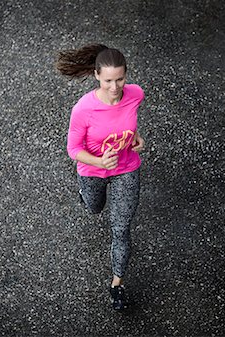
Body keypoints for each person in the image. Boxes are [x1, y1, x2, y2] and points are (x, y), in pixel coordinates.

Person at [56, 44, 145, 310]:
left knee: (121, 229)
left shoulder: (136, 94)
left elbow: (129, 120)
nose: (115, 86)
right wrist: (99, 161)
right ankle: (85, 195)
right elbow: (73, 150)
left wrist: (136, 137)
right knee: (95, 208)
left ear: (126, 75)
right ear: (96, 76)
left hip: (127, 168)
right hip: (92, 170)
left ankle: (117, 284)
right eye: (108, 80)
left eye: (120, 79)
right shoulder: (83, 109)